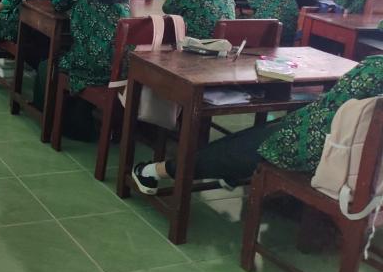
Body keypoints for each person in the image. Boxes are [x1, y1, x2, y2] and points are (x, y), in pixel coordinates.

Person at [132, 55, 383, 194]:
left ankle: (155, 171)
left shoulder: (374, 69)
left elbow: (326, 114)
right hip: (365, 163)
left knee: (242, 148)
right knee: (259, 135)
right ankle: (231, 172)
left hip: (324, 153)